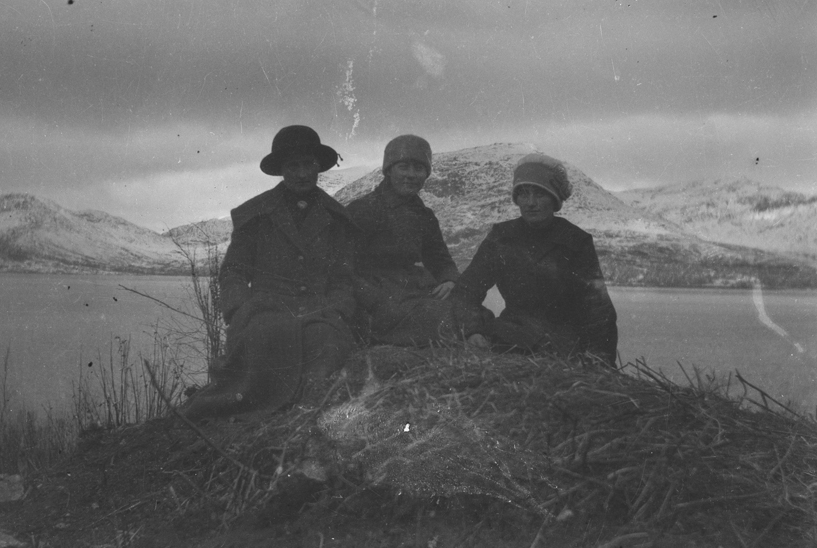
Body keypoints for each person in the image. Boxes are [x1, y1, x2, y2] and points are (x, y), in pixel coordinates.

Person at [181, 125, 357, 419]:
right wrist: (240, 310)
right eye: (293, 166)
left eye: (308, 164)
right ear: (281, 170)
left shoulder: (338, 219)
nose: (302, 174)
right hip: (265, 310)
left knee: (327, 346)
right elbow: (234, 271)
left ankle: (301, 413)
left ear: (318, 167)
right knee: (265, 341)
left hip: (319, 310)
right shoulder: (255, 215)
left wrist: (338, 310)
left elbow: (343, 278)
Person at [454, 153, 619, 366]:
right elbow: (467, 289)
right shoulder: (501, 237)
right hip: (510, 338)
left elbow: (599, 311)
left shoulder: (576, 241)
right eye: (523, 194)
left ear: (554, 199)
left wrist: (602, 363)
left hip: (564, 346)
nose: (531, 203)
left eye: (540, 194)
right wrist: (472, 330)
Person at [346, 135, 476, 346]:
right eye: (403, 167)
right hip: (376, 297)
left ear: (426, 174)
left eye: (418, 169)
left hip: (412, 290)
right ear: (389, 170)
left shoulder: (424, 215)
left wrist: (449, 280)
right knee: (439, 317)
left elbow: (440, 259)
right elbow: (345, 267)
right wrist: (374, 299)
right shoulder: (363, 210)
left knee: (473, 310)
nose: (411, 175)